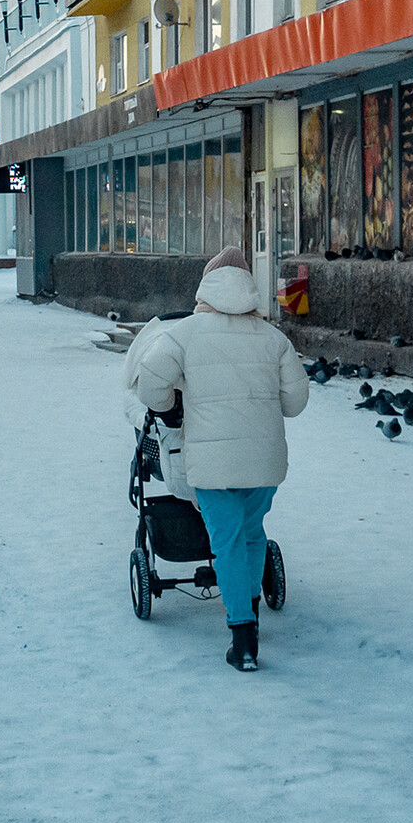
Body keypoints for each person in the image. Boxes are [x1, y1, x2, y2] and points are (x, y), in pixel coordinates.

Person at [132, 246, 309, 672]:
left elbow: (148, 383)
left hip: (213, 467)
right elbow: (297, 401)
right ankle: (250, 614)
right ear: (249, 287)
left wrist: (171, 405)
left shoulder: (185, 333)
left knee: (226, 542)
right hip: (265, 463)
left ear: (206, 285)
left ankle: (243, 640)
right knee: (251, 535)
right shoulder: (273, 338)